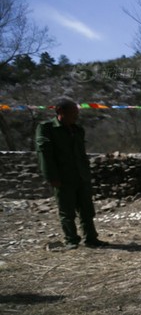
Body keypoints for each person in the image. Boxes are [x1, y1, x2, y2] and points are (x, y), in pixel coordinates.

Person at [35, 98, 109, 249]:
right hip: (63, 177)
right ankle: (71, 239)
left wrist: (87, 173)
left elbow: (81, 154)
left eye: (77, 113)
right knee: (67, 211)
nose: (76, 116)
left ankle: (91, 238)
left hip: (81, 175)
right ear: (60, 112)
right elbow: (45, 154)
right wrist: (51, 177)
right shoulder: (47, 128)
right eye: (72, 113)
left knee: (87, 210)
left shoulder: (77, 130)